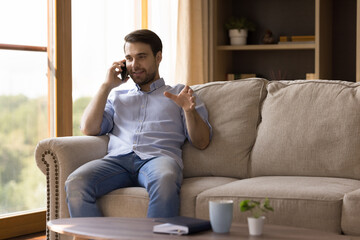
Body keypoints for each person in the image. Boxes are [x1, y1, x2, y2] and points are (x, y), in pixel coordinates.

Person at [65, 29, 212, 218]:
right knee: (76, 182)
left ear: (158, 57)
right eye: (129, 58)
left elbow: (202, 142)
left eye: (141, 57)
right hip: (117, 161)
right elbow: (88, 128)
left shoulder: (179, 94)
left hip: (158, 159)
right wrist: (106, 86)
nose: (134, 65)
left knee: (165, 179)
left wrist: (189, 111)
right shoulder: (117, 96)